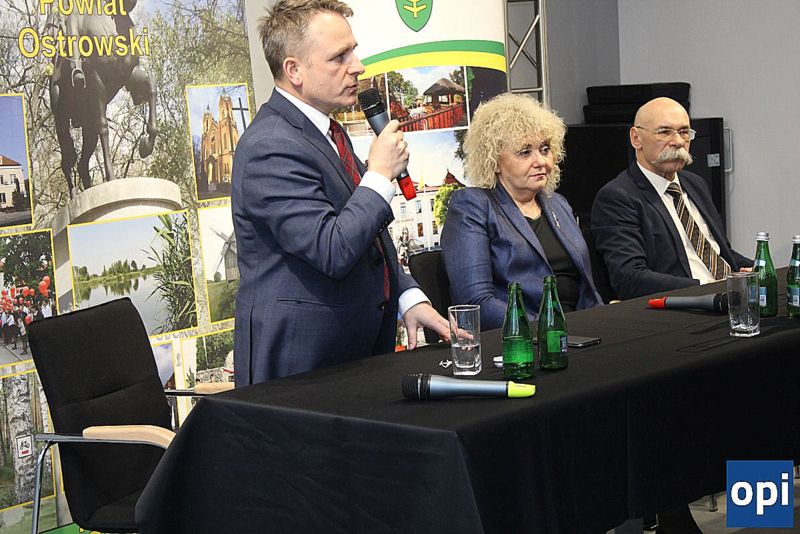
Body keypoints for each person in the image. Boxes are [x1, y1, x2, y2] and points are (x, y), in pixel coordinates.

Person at [231, 0, 448, 385]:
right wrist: (379, 173)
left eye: (354, 51)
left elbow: (368, 235)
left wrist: (407, 297)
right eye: (339, 57)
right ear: (294, 70)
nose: (358, 66)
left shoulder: (329, 131)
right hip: (302, 371)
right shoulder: (270, 146)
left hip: (352, 356)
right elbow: (332, 249)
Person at [441, 93, 603, 330]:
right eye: (524, 152)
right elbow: (477, 302)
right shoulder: (472, 205)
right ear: (494, 161)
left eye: (545, 149)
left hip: (581, 328)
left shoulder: (558, 204)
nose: (541, 161)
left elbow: (586, 288)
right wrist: (547, 330)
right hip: (524, 338)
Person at [591, 97, 751, 300]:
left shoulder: (695, 184)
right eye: (665, 132)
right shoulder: (618, 197)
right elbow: (630, 279)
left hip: (728, 298)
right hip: (685, 306)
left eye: (684, 132)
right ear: (636, 138)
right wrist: (708, 288)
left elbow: (720, 252)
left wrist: (758, 270)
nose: (678, 142)